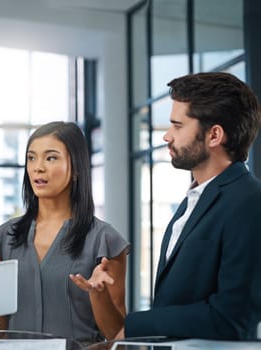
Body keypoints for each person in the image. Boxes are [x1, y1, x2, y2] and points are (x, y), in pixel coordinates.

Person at [0, 121, 130, 342]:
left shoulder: (105, 241)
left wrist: (99, 296)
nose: (38, 167)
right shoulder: (5, 238)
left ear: (76, 167)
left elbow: (117, 335)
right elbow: (5, 325)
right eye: (31, 158)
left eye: (51, 157)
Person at [109, 72, 261, 340]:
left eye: (178, 126)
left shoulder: (249, 201)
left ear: (214, 135)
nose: (167, 136)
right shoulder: (194, 198)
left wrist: (138, 325)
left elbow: (232, 317)